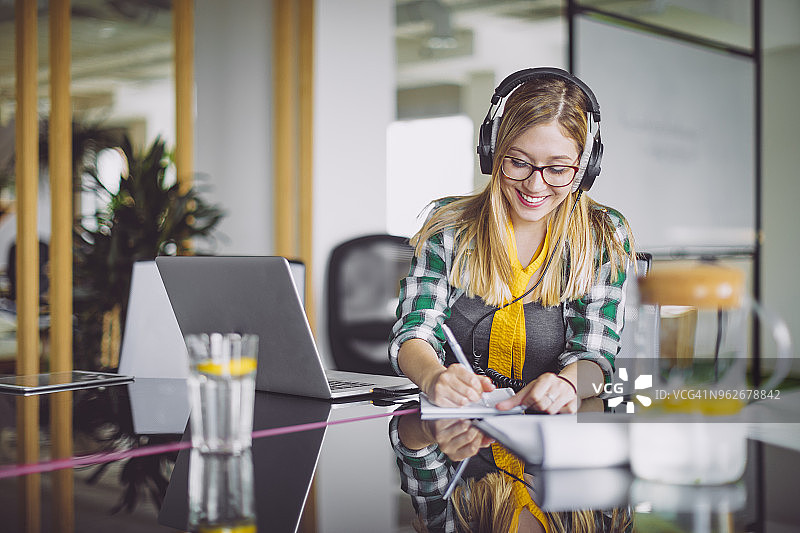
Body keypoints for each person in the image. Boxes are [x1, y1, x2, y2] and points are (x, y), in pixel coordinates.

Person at [389, 67, 635, 415]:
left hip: (551, 437)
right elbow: (414, 331)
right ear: (493, 153)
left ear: (584, 168)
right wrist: (433, 377)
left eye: (558, 169)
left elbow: (597, 355)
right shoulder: (449, 226)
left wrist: (567, 385)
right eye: (518, 162)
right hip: (459, 430)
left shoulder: (602, 234)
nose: (535, 186)